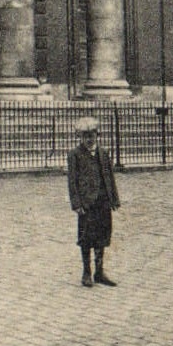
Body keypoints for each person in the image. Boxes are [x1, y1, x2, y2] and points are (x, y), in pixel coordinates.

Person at [67, 115, 120, 287]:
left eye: (92, 135)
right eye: (85, 135)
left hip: (103, 201)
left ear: (98, 135)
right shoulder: (75, 155)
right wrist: (76, 204)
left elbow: (109, 177)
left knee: (102, 236)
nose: (89, 139)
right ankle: (86, 272)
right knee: (86, 237)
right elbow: (72, 181)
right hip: (87, 203)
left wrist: (114, 199)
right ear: (80, 137)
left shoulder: (103, 153)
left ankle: (99, 271)